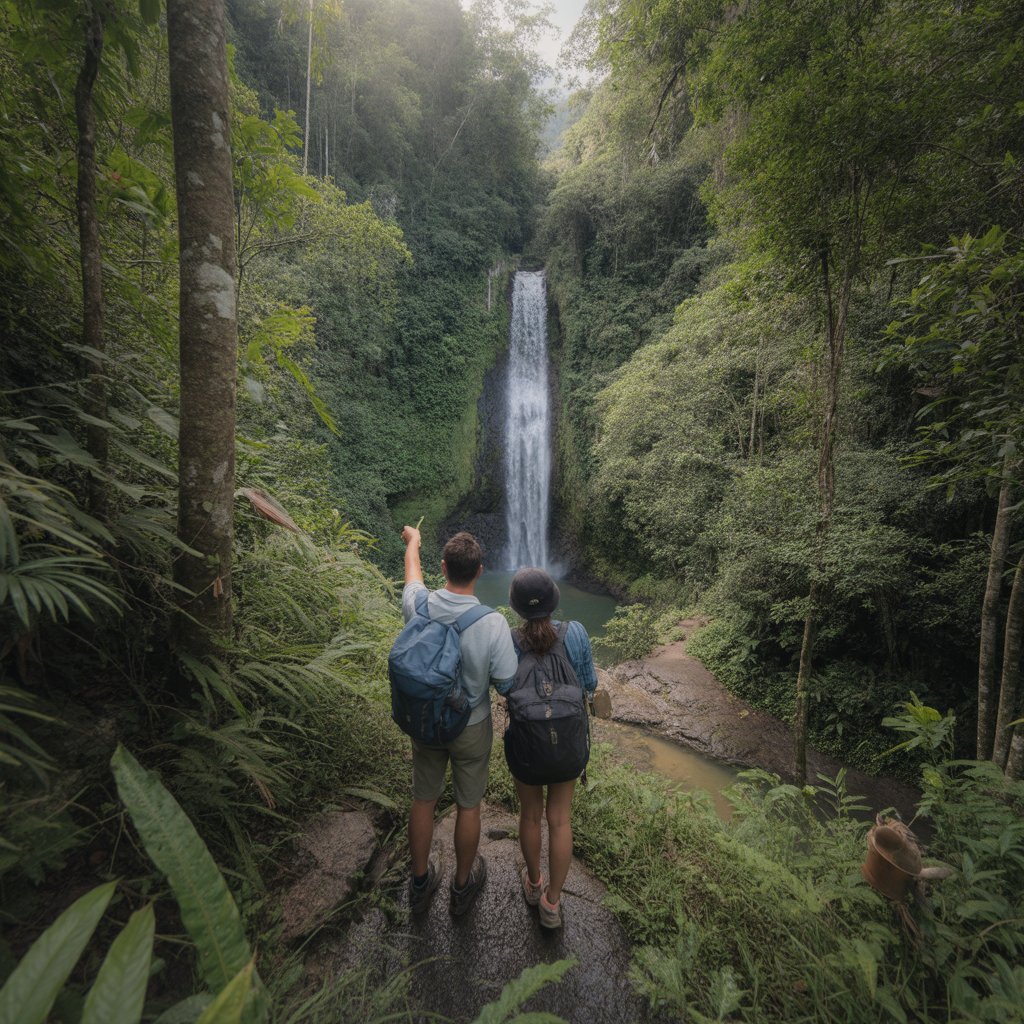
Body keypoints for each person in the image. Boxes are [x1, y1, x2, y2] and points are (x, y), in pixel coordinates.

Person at [399, 525, 518, 916]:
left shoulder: (420, 605)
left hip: (427, 723)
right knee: (469, 806)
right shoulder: (493, 623)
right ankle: (462, 886)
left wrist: (413, 543)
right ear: (480, 571)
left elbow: (412, 577)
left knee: (424, 799)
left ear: (444, 567)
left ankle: (420, 882)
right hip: (471, 725)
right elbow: (505, 682)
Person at [500, 567, 597, 929]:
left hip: (526, 745)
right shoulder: (576, 634)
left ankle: (533, 882)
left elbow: (503, 687)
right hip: (568, 744)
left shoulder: (509, 639)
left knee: (529, 814)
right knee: (560, 818)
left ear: (516, 607)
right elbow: (589, 682)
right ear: (555, 600)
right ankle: (552, 903)